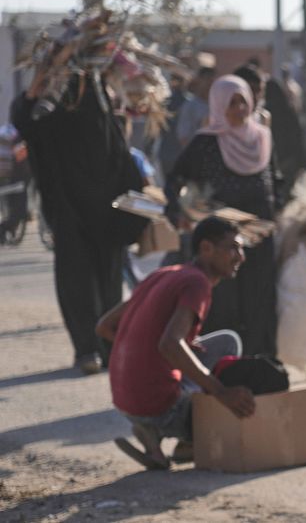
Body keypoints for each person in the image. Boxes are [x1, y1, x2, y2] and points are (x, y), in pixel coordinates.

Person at [11, 70, 146, 375]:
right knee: (80, 285)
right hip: (73, 219)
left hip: (105, 221)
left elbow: (126, 169)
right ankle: (87, 349)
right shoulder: (57, 125)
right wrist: (36, 88)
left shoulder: (102, 124)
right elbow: (22, 121)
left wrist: (137, 214)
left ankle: (106, 349)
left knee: (105, 286)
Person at [97, 216, 256, 470]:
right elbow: (170, 345)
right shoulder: (197, 283)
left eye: (241, 248)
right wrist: (221, 392)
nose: (240, 256)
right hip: (158, 405)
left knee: (226, 343)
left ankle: (155, 439)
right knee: (224, 377)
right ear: (206, 248)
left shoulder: (164, 274)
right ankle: (186, 437)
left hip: (125, 401)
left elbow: (104, 326)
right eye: (233, 248)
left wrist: (147, 347)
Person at [164, 75, 279, 358]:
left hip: (260, 236)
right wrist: (179, 210)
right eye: (232, 103)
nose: (239, 108)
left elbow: (276, 179)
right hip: (222, 240)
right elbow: (175, 177)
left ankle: (258, 362)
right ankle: (224, 362)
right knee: (224, 302)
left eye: (243, 101)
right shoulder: (206, 142)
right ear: (218, 105)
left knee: (259, 299)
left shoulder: (263, 138)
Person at [265, 78, 306, 190]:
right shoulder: (289, 112)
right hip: (288, 162)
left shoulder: (264, 114)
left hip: (269, 164)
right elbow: (298, 139)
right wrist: (302, 163)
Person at [176, 66, 216, 148]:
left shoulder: (218, 106)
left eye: (211, 81)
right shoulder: (190, 106)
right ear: (199, 81)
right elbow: (183, 136)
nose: (209, 84)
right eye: (206, 80)